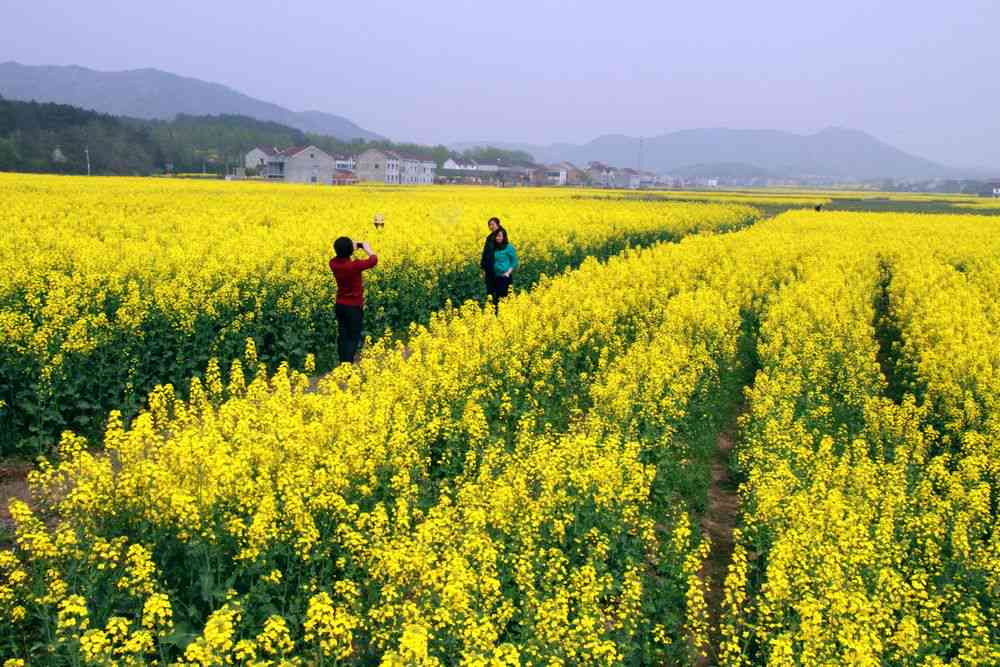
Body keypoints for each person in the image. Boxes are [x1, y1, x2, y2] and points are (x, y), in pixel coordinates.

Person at [329, 236, 378, 364]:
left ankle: (342, 364)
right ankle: (348, 366)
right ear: (350, 251)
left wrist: (350, 249)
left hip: (340, 305)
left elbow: (341, 256)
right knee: (352, 338)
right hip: (353, 307)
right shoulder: (354, 266)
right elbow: (373, 260)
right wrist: (367, 249)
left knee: (343, 336)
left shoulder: (333, 263)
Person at [491, 227, 517, 311]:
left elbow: (514, 262)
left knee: (505, 298)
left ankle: (506, 315)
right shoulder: (493, 248)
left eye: (499, 236)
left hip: (504, 277)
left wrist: (508, 273)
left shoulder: (509, 247)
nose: (497, 238)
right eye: (496, 236)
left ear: (504, 237)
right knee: (495, 299)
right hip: (494, 277)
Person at [480, 217, 501, 303]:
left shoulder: (501, 236)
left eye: (493, 224)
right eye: (489, 225)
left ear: (498, 225)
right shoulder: (489, 237)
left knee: (498, 290)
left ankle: (498, 309)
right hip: (489, 268)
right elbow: (485, 252)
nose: (491, 226)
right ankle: (491, 308)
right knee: (490, 290)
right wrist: (483, 266)